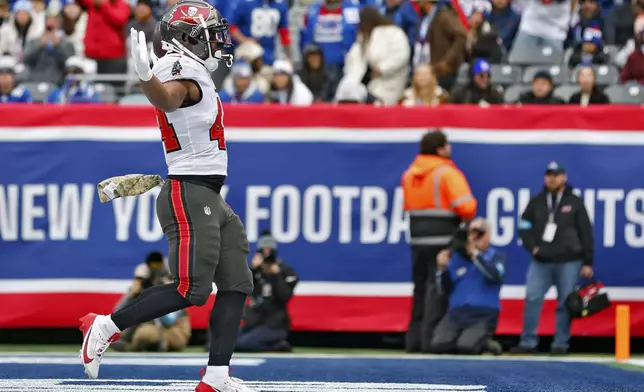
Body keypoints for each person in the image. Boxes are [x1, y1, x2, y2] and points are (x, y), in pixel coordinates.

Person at [79, 3, 255, 392]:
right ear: (188, 37)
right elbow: (169, 98)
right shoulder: (180, 68)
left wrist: (149, 78)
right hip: (190, 192)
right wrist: (145, 77)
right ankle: (104, 326)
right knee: (191, 289)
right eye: (208, 32)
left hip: (208, 193)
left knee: (237, 281)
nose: (216, 40)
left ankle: (216, 376)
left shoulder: (191, 68)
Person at [401, 129, 477, 353]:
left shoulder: (409, 174)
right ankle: (431, 342)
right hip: (443, 240)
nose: (450, 148)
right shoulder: (446, 173)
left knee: (420, 291)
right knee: (438, 292)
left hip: (417, 240)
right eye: (447, 145)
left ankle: (413, 342)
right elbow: (467, 207)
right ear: (440, 148)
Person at [511, 161, 594, 355]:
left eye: (556, 175)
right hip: (541, 261)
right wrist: (532, 248)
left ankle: (560, 343)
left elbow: (586, 233)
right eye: (549, 174)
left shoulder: (575, 202)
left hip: (569, 261)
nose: (552, 178)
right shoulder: (537, 201)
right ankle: (528, 342)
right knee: (532, 298)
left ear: (564, 177)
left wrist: (588, 261)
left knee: (565, 302)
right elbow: (524, 227)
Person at [430, 218, 505, 355]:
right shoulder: (456, 258)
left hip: (483, 313)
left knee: (466, 347)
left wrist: (475, 255)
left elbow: (495, 275)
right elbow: (443, 289)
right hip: (457, 313)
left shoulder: (496, 256)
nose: (474, 237)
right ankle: (467, 340)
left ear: (487, 235)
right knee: (438, 345)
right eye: (471, 233)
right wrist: (442, 269)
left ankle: (485, 343)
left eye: (478, 233)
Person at [236, 231, 299, 352]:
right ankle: (273, 345)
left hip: (275, 325)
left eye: (270, 251)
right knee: (225, 341)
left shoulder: (286, 272)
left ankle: (279, 345)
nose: (267, 255)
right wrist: (253, 270)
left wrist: (277, 276)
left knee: (242, 344)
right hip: (255, 322)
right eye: (264, 251)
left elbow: (284, 297)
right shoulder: (255, 271)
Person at [341, 6, 410, 105]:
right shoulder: (363, 37)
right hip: (364, 86)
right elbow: (352, 60)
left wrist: (382, 69)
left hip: (388, 83)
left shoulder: (393, 32)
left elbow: (401, 55)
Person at [23, 9, 75, 85]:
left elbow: (70, 64)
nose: (51, 23)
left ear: (59, 24)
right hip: (35, 81)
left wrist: (58, 46)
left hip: (58, 83)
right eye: (49, 20)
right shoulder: (34, 41)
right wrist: (40, 45)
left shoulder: (67, 43)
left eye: (54, 21)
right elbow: (26, 60)